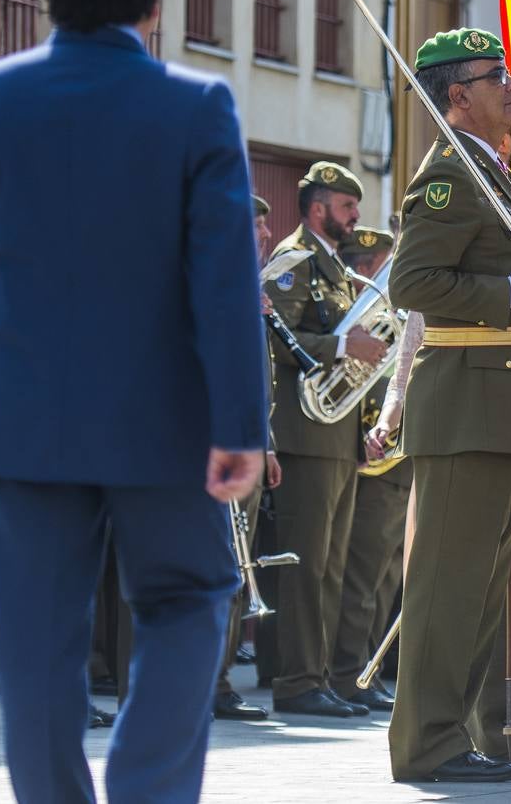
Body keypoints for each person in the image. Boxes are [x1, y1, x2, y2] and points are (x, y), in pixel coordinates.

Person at [0, 0, 268, 801]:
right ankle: (147, 785)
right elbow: (227, 285)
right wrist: (241, 423)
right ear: (155, 2)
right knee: (189, 602)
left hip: (21, 423)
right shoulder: (197, 107)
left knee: (37, 649)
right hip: (167, 423)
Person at [386, 27, 511, 783]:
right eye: (498, 78)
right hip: (465, 409)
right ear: (458, 97)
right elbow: (412, 285)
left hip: (500, 411)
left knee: (477, 594)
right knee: (445, 592)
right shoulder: (450, 178)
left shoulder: (494, 176)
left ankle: (459, 739)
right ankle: (427, 746)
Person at [264, 162, 387, 718]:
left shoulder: (334, 269)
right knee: (306, 564)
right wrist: (343, 349)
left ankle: (320, 678)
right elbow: (275, 337)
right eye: (345, 206)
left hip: (336, 437)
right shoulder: (294, 262)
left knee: (332, 566)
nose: (355, 216)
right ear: (318, 209)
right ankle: (297, 680)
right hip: (303, 434)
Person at [327, 225, 407, 712]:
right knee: (362, 573)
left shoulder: (392, 317)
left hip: (399, 457)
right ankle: (347, 670)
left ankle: (365, 670)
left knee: (387, 574)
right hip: (369, 460)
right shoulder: (359, 317)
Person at [212, 194, 285, 722]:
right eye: (254, 227)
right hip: (217, 445)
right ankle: (204, 681)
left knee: (238, 567)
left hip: (250, 445)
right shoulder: (213, 286)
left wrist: (267, 440)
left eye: (264, 227)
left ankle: (216, 682)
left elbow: (259, 378)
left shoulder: (247, 288)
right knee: (216, 565)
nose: (265, 236)